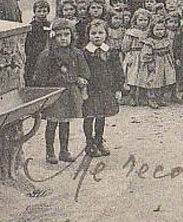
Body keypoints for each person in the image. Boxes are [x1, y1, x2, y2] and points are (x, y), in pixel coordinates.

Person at [34, 18, 89, 164]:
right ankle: (50, 152)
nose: (63, 38)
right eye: (59, 35)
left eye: (66, 35)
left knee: (65, 123)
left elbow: (84, 71)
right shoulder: (47, 55)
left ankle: (64, 151)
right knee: (52, 123)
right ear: (53, 37)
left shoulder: (76, 53)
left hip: (69, 93)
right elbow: (39, 77)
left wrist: (80, 78)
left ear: (72, 36)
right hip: (54, 93)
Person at [81, 19, 124, 158]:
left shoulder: (110, 52)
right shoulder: (85, 53)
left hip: (106, 89)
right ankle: (89, 144)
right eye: (93, 33)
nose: (97, 36)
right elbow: (81, 72)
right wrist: (83, 88)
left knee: (101, 116)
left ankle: (99, 141)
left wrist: (118, 88)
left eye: (100, 33)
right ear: (88, 35)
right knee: (89, 116)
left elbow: (117, 71)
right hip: (91, 90)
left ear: (106, 34)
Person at [140, 16, 177, 108]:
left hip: (166, 62)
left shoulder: (166, 41)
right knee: (154, 80)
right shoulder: (150, 42)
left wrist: (172, 61)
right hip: (156, 63)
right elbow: (145, 54)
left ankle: (160, 98)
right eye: (157, 29)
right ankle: (152, 99)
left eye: (162, 29)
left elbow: (170, 51)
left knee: (164, 80)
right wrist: (150, 62)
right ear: (152, 30)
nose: (159, 32)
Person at [121, 9, 150, 106]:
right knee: (132, 76)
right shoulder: (131, 33)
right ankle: (132, 96)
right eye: (140, 20)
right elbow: (125, 47)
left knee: (144, 76)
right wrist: (129, 55)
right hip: (134, 55)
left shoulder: (149, 32)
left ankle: (142, 96)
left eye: (145, 20)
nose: (143, 22)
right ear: (135, 20)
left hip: (145, 56)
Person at [24, 0, 51, 86]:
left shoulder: (49, 24)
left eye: (44, 11)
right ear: (34, 12)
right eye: (39, 11)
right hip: (34, 53)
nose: (42, 14)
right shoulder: (31, 26)